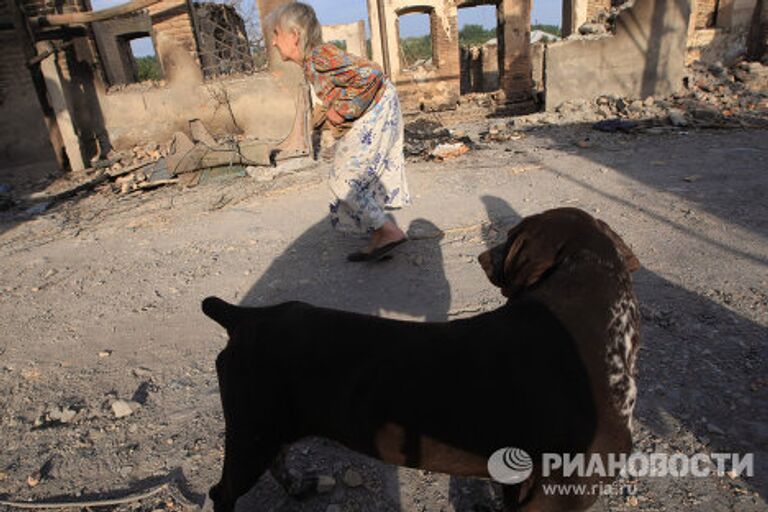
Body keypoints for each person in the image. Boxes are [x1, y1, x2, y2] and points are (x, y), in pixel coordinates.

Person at [269, 2, 411, 262]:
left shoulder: (319, 56)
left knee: (343, 179)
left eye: (276, 33)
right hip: (376, 106)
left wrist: (341, 110)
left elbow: (372, 74)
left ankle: (389, 231)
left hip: (377, 107)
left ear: (294, 35)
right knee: (356, 174)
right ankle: (379, 236)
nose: (274, 42)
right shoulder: (312, 62)